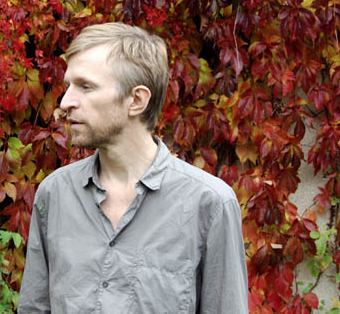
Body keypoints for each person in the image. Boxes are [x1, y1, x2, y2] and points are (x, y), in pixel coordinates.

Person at [18, 22, 248, 313]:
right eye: (68, 87)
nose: (65, 102)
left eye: (86, 87)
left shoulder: (209, 204)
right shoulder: (55, 194)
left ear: (136, 100)